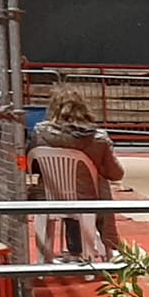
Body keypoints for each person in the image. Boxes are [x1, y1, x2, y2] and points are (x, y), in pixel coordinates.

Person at [31, 84, 126, 253]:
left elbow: (32, 166)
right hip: (87, 199)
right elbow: (116, 174)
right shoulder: (98, 138)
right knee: (97, 182)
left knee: (64, 185)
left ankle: (66, 251)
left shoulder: (39, 134)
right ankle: (105, 243)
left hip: (48, 197)